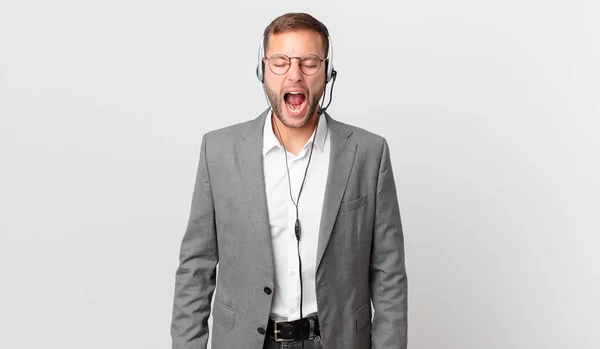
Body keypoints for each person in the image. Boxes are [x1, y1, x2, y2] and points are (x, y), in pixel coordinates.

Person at [171, 12, 407, 349]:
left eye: (309, 62)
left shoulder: (369, 153)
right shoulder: (219, 151)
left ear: (327, 73)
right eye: (280, 62)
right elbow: (195, 269)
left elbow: (389, 275)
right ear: (262, 71)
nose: (294, 75)